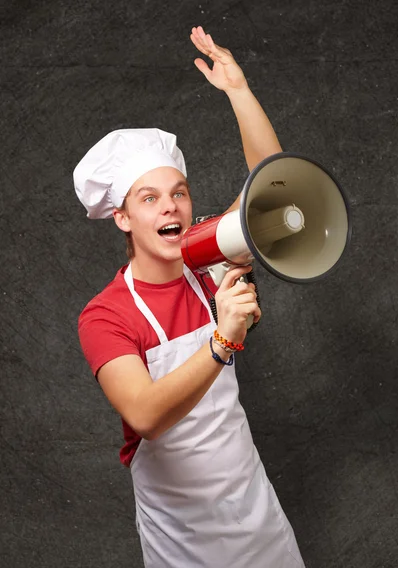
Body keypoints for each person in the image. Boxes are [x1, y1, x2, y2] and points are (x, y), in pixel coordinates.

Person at [75, 26, 305, 568]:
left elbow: (274, 186)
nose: (171, 208)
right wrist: (223, 340)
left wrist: (239, 92)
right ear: (123, 218)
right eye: (149, 198)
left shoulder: (207, 266)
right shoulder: (106, 315)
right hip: (184, 540)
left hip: (257, 516)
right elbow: (147, 414)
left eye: (179, 192)